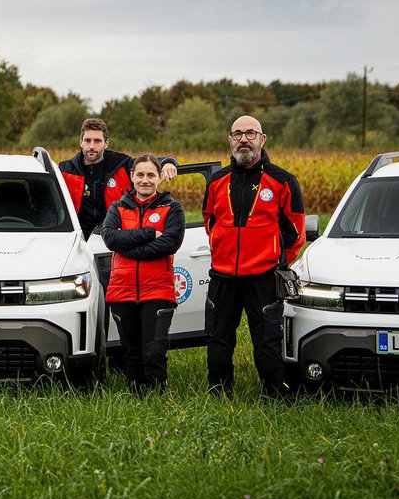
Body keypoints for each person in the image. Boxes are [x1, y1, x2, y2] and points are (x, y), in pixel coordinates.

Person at [203, 115, 305, 398]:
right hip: (223, 276)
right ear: (230, 140)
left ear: (262, 139)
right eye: (237, 134)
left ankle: (275, 395)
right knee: (218, 338)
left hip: (263, 277)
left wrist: (274, 259)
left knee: (267, 340)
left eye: (250, 133)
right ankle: (220, 393)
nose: (243, 139)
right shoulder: (216, 181)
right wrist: (221, 249)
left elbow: (295, 232)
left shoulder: (283, 181)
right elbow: (209, 221)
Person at [101, 154, 185, 392]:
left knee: (154, 350)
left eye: (151, 175)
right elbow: (110, 238)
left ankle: (158, 395)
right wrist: (149, 233)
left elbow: (170, 243)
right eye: (140, 175)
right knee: (131, 351)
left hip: (158, 290)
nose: (145, 180)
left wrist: (127, 248)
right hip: (122, 291)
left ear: (159, 178)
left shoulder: (172, 208)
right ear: (132, 177)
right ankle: (137, 396)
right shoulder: (117, 207)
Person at [59, 118, 178, 239]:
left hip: (116, 237)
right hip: (78, 240)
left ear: (106, 143)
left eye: (97, 141)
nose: (91, 146)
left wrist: (167, 162)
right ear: (81, 142)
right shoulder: (65, 170)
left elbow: (149, 164)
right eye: (87, 141)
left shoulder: (121, 164)